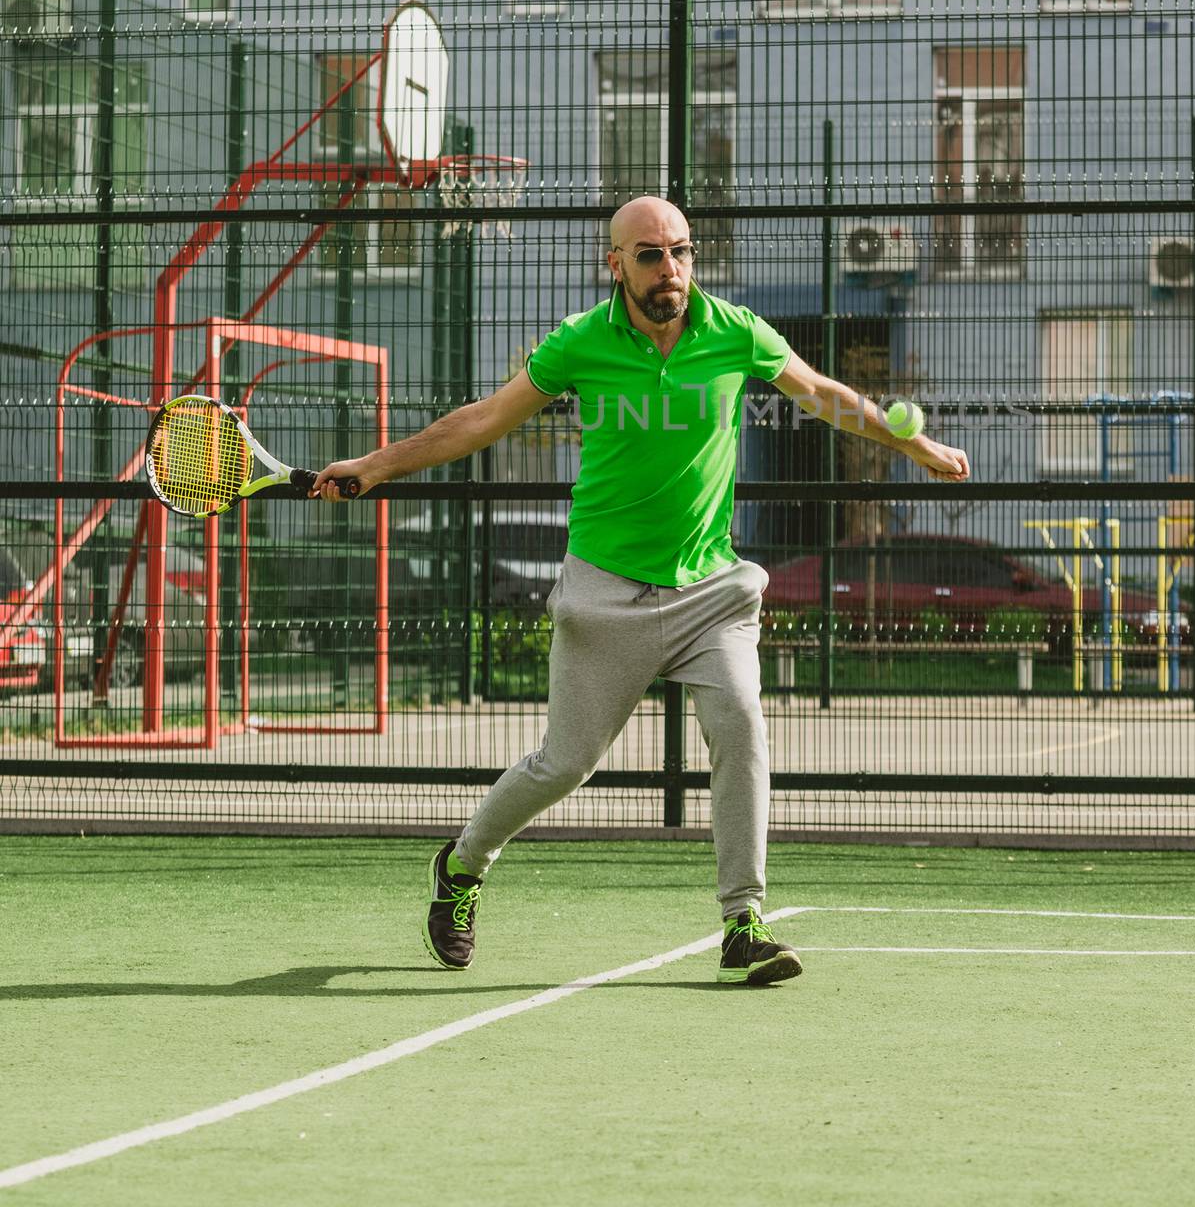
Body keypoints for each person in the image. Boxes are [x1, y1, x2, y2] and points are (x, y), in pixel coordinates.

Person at [312, 195, 971, 984]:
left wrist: (914, 441)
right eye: (652, 255)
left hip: (710, 589)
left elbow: (821, 393)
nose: (672, 270)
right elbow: (485, 421)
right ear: (615, 264)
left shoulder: (735, 331)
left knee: (742, 730)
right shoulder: (580, 343)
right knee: (564, 764)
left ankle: (742, 922)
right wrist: (377, 465)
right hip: (605, 588)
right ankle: (462, 866)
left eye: (682, 252)